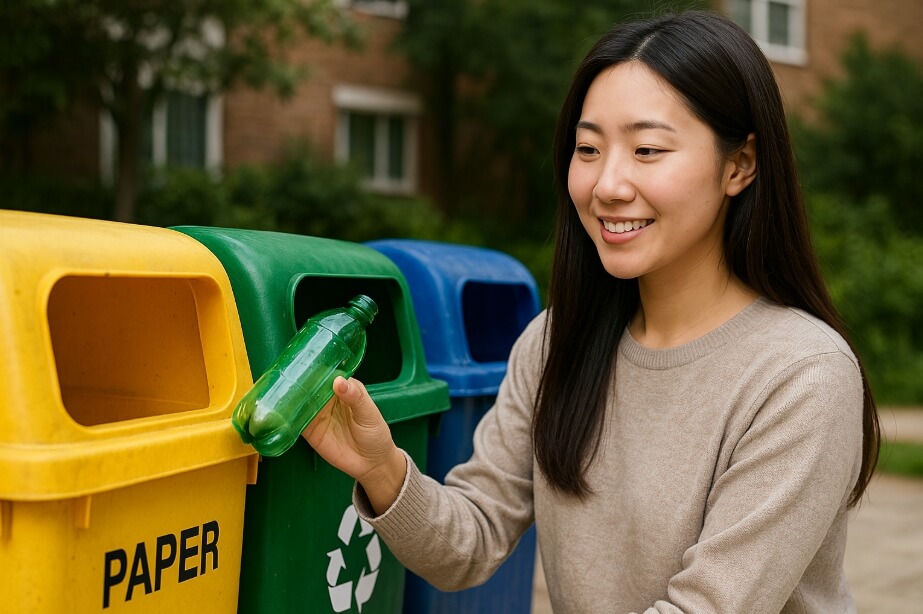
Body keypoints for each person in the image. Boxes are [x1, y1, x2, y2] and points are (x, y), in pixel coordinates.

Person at [303, 9, 880, 613]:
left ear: (739, 165)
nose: (607, 184)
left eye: (648, 149)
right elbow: (468, 544)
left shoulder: (801, 375)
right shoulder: (556, 343)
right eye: (588, 148)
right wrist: (382, 467)